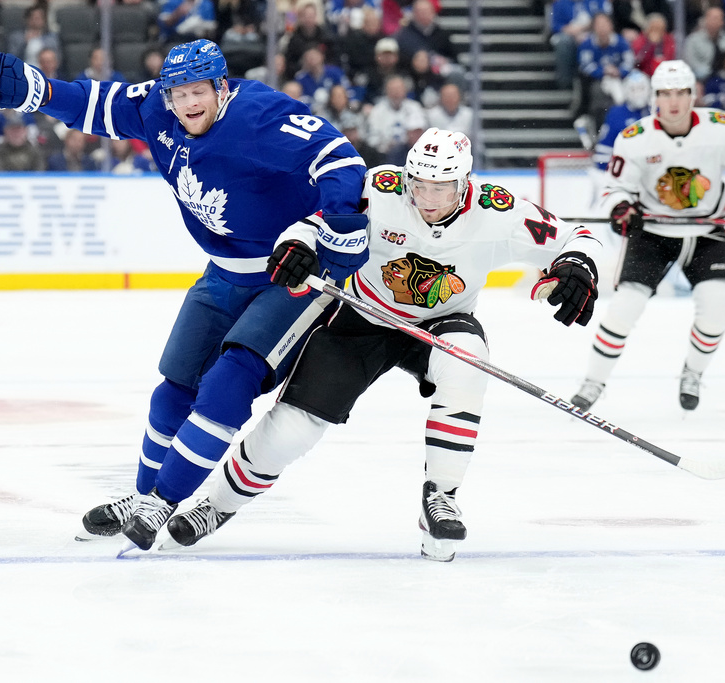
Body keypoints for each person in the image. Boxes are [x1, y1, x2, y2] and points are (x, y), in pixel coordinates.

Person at [0, 39, 368, 550]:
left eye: (199, 91)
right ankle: (144, 498)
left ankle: (165, 499)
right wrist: (34, 89)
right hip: (223, 272)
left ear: (222, 88)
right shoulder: (158, 107)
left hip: (290, 277)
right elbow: (99, 105)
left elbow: (340, 161)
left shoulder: (261, 115)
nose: (188, 103)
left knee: (232, 376)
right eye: (178, 93)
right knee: (173, 387)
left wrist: (324, 229)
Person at [162, 128, 603, 562]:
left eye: (442, 187)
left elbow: (577, 237)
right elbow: (315, 222)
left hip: (439, 323)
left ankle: (442, 497)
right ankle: (215, 506)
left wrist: (578, 265)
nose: (428, 198)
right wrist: (297, 245)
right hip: (360, 315)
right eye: (420, 184)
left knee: (468, 363)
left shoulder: (498, 211)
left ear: (465, 183)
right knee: (293, 429)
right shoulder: (380, 189)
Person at [569, 60, 725, 412]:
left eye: (681, 93)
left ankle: (693, 373)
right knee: (623, 310)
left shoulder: (720, 127)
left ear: (693, 95)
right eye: (665, 93)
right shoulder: (635, 139)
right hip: (653, 233)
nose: (673, 102)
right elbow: (616, 186)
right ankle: (593, 381)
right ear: (654, 97)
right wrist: (621, 207)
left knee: (716, 311)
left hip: (709, 232)